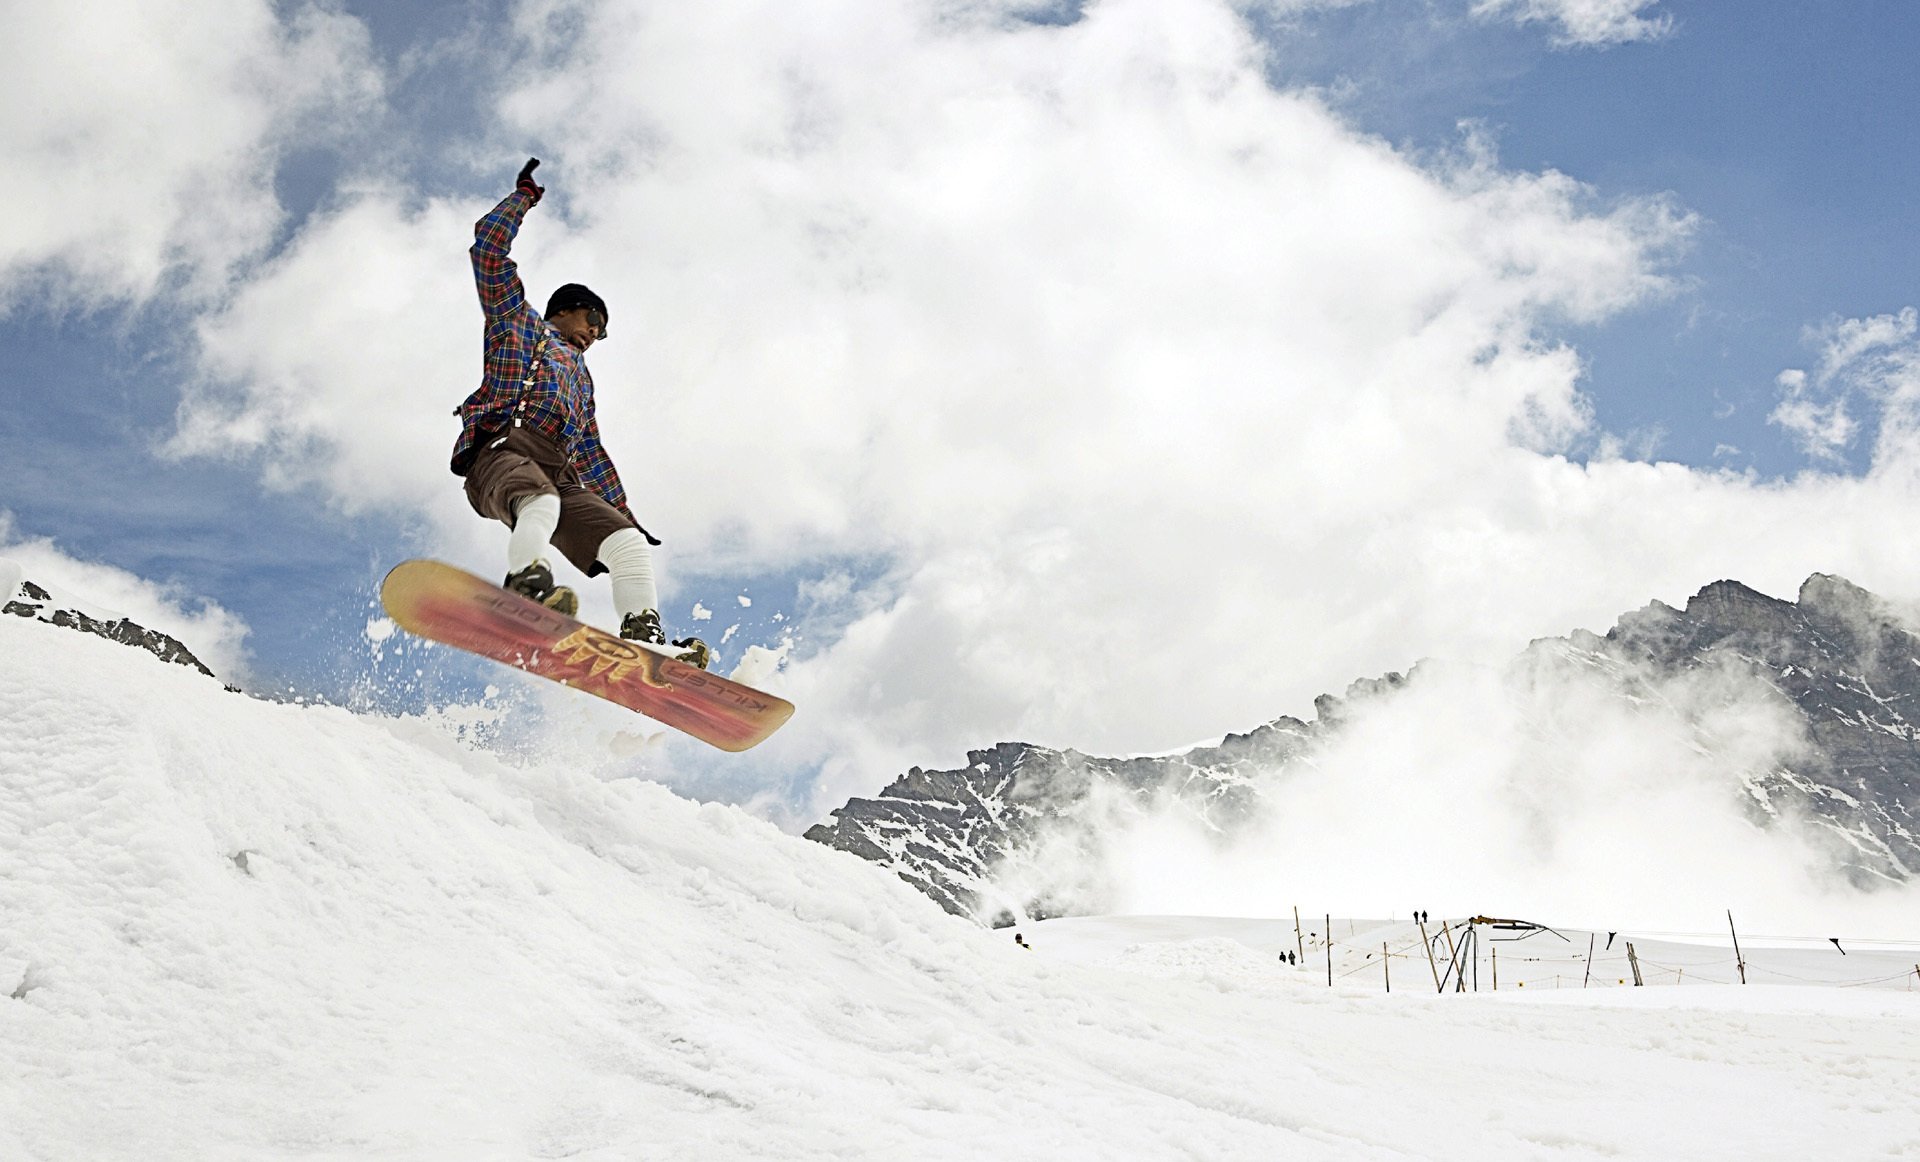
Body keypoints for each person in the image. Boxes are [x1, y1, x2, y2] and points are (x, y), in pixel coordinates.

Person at [450, 157, 707, 669]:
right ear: (564, 309)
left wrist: (624, 515)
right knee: (539, 502)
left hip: (560, 469)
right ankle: (525, 582)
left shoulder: (581, 380)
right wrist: (521, 200)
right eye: (593, 320)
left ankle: (644, 634)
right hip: (504, 449)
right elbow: (488, 251)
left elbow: (590, 452)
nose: (594, 334)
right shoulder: (518, 325)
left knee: (628, 545)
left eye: (603, 332)